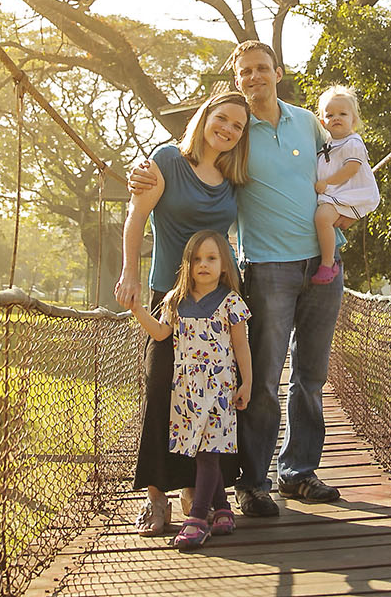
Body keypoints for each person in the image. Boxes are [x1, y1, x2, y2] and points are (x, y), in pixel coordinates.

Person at [130, 40, 349, 518]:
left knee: (311, 377)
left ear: (277, 71)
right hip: (267, 267)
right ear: (236, 80)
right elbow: (188, 165)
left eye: (262, 69)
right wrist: (143, 171)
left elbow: (344, 170)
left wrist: (346, 214)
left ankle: (298, 471)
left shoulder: (309, 123)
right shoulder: (236, 139)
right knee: (262, 379)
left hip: (324, 264)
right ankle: (252, 481)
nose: (255, 78)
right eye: (245, 71)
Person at [114, 91, 251, 537]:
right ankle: (157, 496)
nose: (228, 129)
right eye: (222, 118)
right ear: (205, 117)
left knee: (214, 394)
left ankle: (199, 489)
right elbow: (136, 218)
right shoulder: (168, 160)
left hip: (220, 296)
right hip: (170, 295)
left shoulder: (233, 174)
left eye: (238, 126)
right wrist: (130, 275)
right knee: (161, 391)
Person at [127, 230, 252, 550]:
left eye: (211, 258)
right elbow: (159, 334)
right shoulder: (175, 300)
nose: (203, 264)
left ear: (225, 265)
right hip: (184, 393)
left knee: (208, 454)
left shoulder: (231, 302)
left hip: (219, 391)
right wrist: (138, 310)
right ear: (187, 264)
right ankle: (223, 510)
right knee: (199, 452)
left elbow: (241, 346)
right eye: (197, 259)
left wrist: (246, 383)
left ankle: (197, 520)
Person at [310, 85, 380, 284]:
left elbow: (350, 170)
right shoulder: (326, 145)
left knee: (322, 218)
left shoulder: (353, 143)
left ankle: (327, 263)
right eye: (330, 115)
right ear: (323, 122)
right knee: (326, 219)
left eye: (342, 113)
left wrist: (326, 183)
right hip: (335, 193)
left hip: (350, 191)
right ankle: (328, 258)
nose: (336, 118)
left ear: (353, 120)